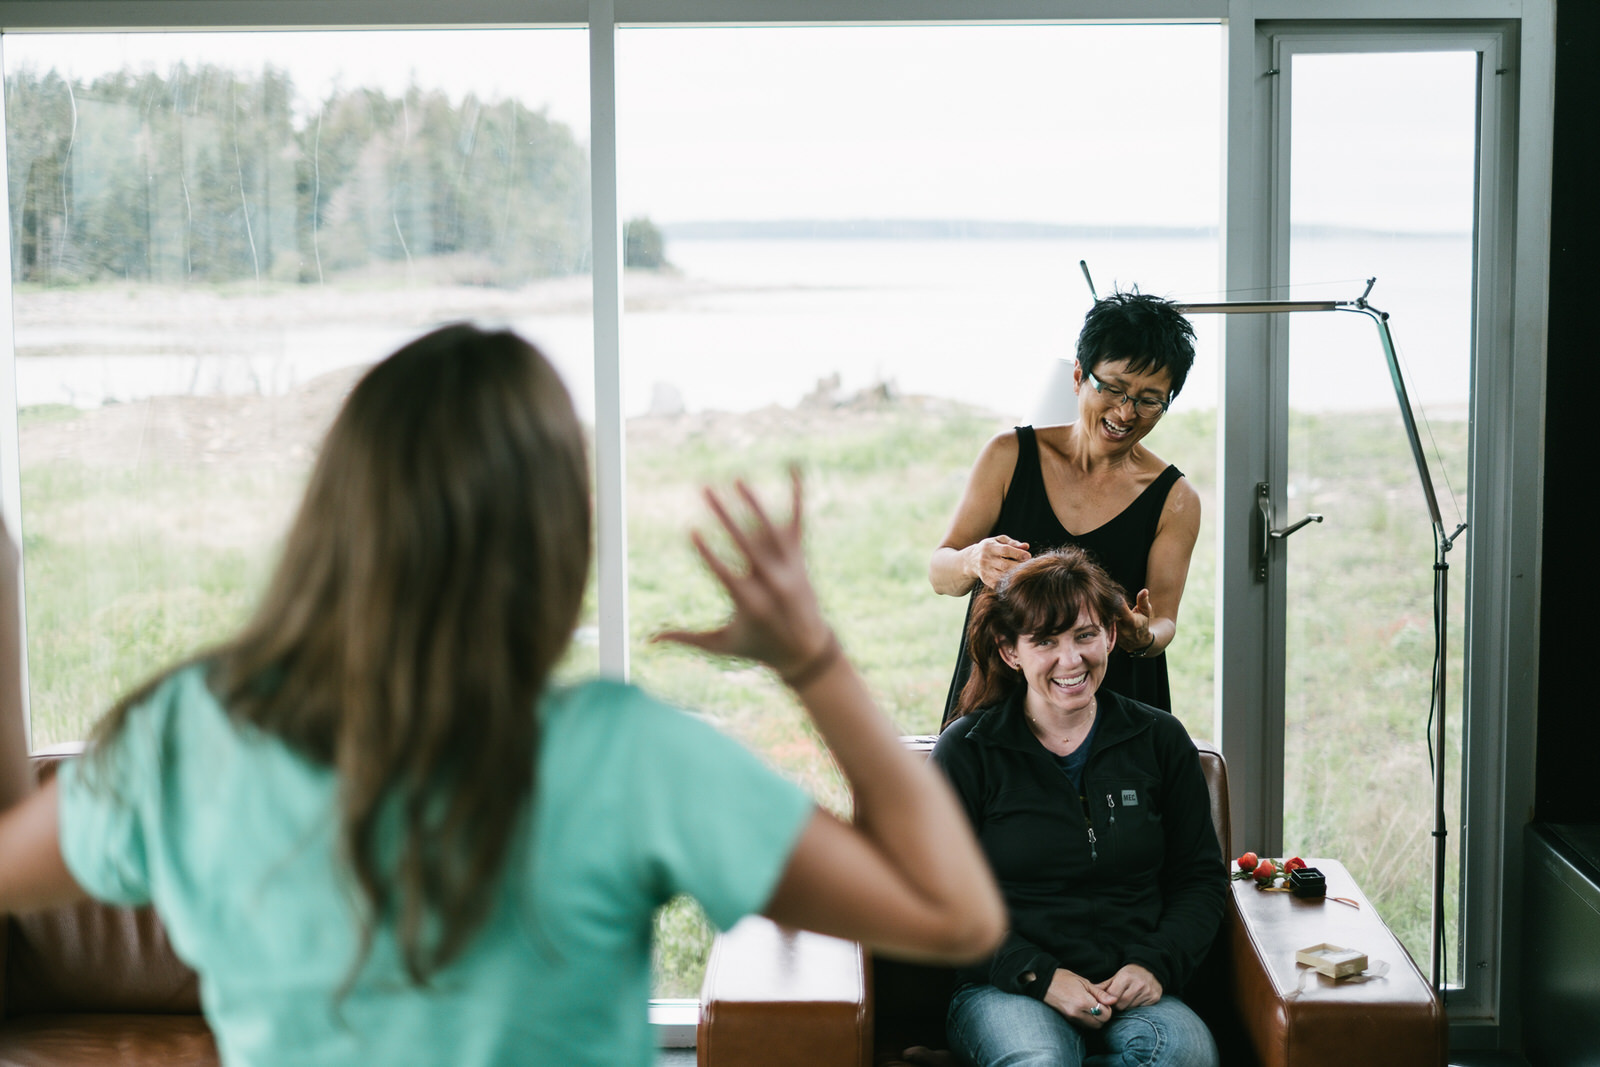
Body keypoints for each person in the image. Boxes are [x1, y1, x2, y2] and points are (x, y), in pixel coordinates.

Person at [0, 324, 1006, 1066]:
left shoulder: (193, 733)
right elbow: (950, 912)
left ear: (338, 512)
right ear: (554, 536)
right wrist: (812, 659)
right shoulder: (625, 756)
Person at [925, 546, 1225, 1067]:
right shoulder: (968, 750)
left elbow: (1200, 879)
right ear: (1010, 651)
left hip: (1130, 985)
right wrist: (1039, 976)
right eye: (1046, 641)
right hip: (1006, 987)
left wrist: (1154, 965)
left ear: (1110, 634)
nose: (1072, 660)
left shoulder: (1160, 739)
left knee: (1186, 1054)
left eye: (1085, 635)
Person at [930, 290, 1201, 727]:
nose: (1125, 412)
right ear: (1078, 376)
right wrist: (972, 559)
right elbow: (940, 573)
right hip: (1000, 698)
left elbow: (1163, 622)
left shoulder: (1176, 498)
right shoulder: (1008, 455)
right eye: (1112, 388)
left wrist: (1142, 635)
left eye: (1150, 400)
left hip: (1112, 703)